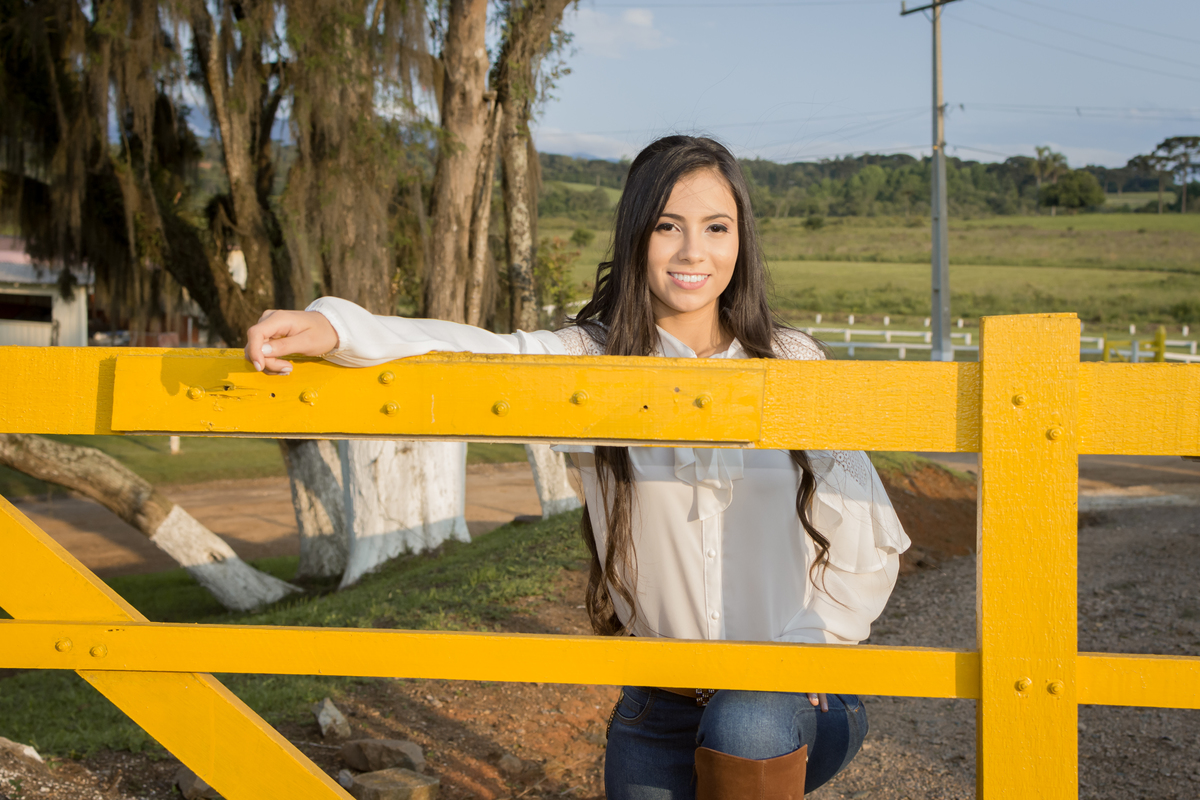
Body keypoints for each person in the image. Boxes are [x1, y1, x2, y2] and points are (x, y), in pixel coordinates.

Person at [245, 135, 910, 800]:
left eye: (716, 227)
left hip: (796, 699)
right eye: (666, 227)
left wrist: (814, 646)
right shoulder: (594, 360)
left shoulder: (790, 360)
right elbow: (479, 355)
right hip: (662, 707)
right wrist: (338, 329)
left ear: (742, 240)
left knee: (747, 714)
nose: (692, 252)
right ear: (635, 236)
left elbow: (869, 536)